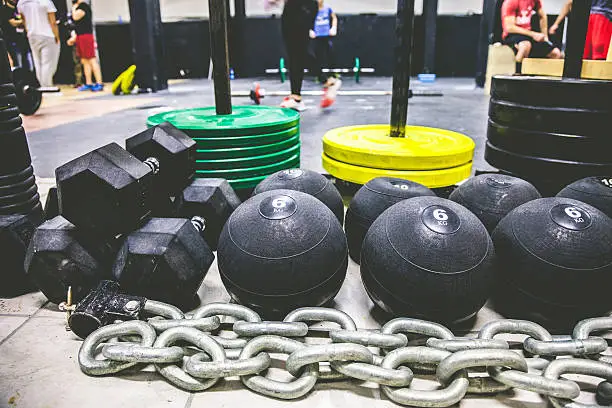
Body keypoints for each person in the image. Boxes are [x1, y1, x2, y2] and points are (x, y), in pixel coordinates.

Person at [268, 0, 318, 111]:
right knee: (294, 57)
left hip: (300, 11)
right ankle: (296, 97)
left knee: (299, 54)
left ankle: (327, 81)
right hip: (294, 12)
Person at [501, 0, 563, 70]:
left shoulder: (534, 1)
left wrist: (545, 36)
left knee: (555, 53)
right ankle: (516, 73)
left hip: (528, 35)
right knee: (525, 46)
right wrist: (533, 34)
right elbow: (509, 28)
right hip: (512, 35)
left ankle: (541, 78)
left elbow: (542, 16)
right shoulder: (511, 2)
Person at [17, 0, 60, 88]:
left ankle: (42, 86)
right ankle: (47, 86)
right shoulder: (46, 2)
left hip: (32, 35)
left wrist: (28, 30)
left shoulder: (21, 2)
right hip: (48, 34)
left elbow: (23, 19)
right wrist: (57, 36)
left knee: (37, 62)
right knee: (48, 63)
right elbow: (53, 22)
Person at [310, 0, 341, 108]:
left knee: (330, 53)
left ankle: (332, 75)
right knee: (315, 56)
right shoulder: (312, 10)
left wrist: (333, 28)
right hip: (316, 37)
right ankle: (321, 77)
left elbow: (334, 18)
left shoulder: (328, 8)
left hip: (326, 35)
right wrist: (310, 30)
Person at [68, 0, 102, 91]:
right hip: (80, 36)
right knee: (84, 61)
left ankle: (99, 83)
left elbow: (75, 17)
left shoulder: (83, 6)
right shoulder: (79, 7)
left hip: (86, 36)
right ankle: (88, 82)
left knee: (91, 59)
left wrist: (74, 8)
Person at [1, 0, 27, 68]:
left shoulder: (18, 7)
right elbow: (13, 23)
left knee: (25, 57)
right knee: (16, 59)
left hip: (21, 37)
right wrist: (25, 21)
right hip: (9, 38)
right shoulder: (4, 9)